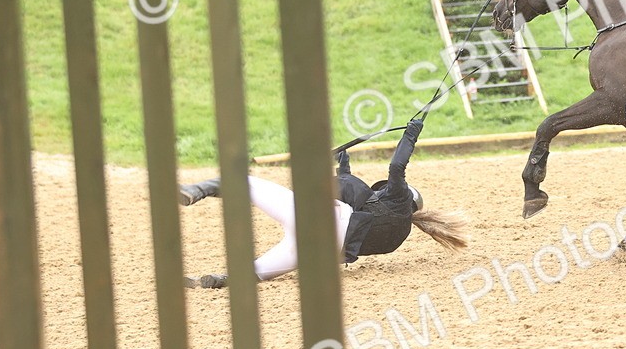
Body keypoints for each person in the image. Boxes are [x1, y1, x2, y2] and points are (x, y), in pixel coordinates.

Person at [179, 118, 466, 287]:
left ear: (408, 198)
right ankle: (218, 280)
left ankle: (196, 190)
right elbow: (362, 216)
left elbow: (396, 169)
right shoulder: (398, 233)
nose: (381, 191)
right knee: (257, 271)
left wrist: (410, 135)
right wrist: (344, 166)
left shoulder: (399, 200)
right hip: (325, 249)